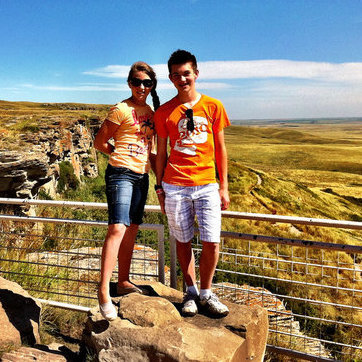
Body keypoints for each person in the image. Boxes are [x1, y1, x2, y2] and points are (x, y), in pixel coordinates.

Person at [154, 49, 230, 317]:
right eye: (176, 75)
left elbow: (220, 149)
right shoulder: (164, 112)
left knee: (211, 241)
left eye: (186, 73)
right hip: (174, 185)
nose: (182, 79)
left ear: (196, 74)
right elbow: (160, 153)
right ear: (171, 78)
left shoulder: (213, 106)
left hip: (207, 184)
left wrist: (224, 186)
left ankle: (207, 293)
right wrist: (160, 188)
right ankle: (191, 291)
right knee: (182, 240)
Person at [94, 61, 160, 321]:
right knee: (117, 228)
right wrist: (118, 156)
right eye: (136, 82)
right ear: (129, 83)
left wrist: (159, 180)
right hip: (121, 172)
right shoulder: (121, 109)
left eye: (146, 83)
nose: (141, 87)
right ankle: (103, 292)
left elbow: (151, 149)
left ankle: (123, 282)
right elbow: (99, 142)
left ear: (152, 85)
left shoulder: (151, 113)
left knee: (132, 228)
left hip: (141, 176)